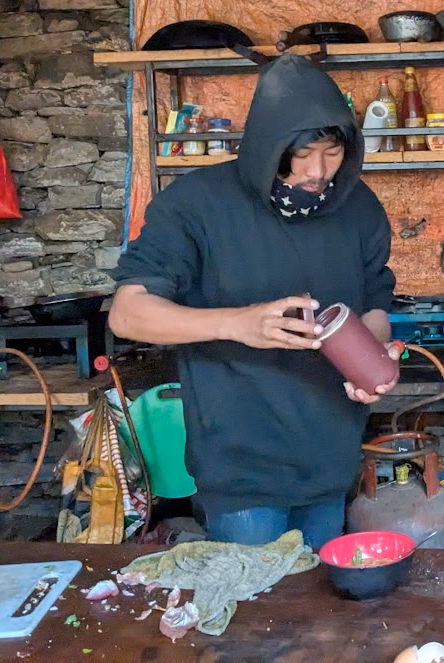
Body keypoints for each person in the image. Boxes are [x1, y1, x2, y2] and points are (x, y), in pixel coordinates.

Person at [109, 54, 398, 549]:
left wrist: (368, 362)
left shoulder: (359, 207)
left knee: (314, 613)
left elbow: (373, 305)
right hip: (241, 466)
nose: (318, 172)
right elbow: (128, 312)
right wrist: (239, 323)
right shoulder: (195, 204)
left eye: (332, 152)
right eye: (302, 154)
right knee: (258, 612)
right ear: (267, 144)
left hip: (331, 455)